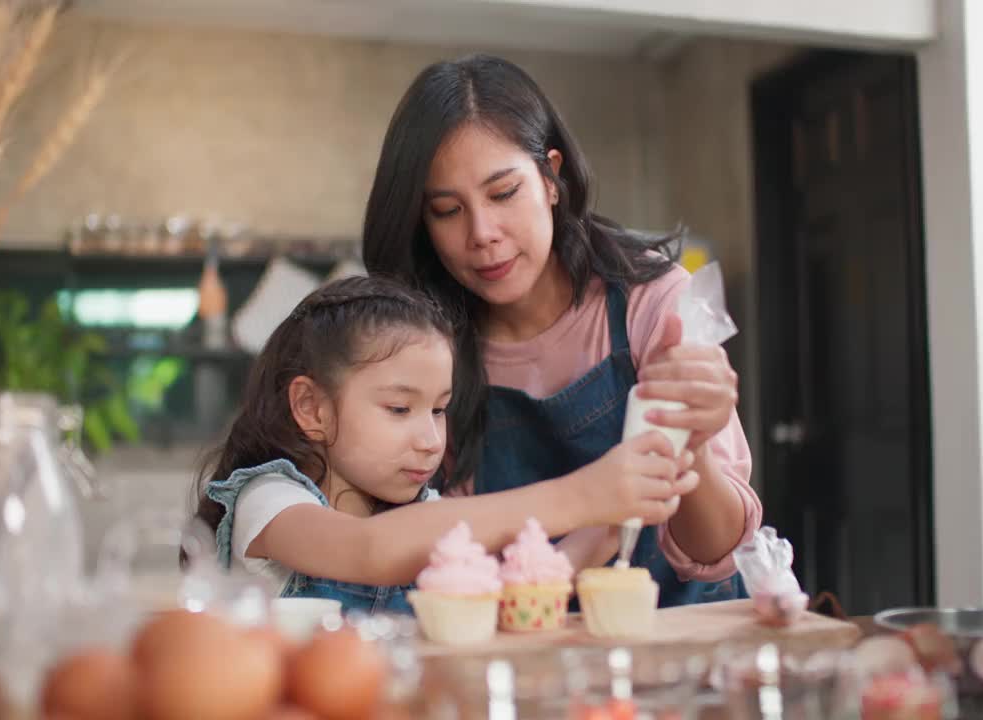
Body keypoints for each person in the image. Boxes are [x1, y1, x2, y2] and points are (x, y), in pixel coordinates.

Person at [361, 54, 760, 607]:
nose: (483, 234)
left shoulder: (652, 303)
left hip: (681, 646)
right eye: (448, 210)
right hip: (523, 648)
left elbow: (714, 549)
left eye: (503, 194)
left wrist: (690, 450)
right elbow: (436, 551)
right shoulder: (428, 348)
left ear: (551, 178)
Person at [187, 275, 698, 613]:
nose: (431, 440)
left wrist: (607, 525)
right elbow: (372, 551)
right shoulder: (271, 502)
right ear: (311, 408)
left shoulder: (425, 514)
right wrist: (581, 495)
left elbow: (503, 599)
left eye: (438, 410)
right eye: (399, 409)